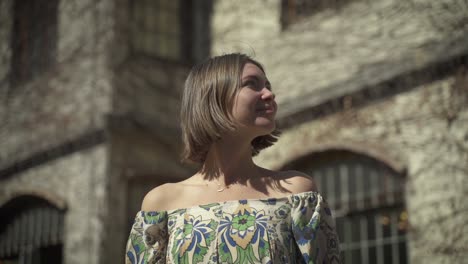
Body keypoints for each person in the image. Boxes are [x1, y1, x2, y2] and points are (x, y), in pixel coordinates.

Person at [125, 53, 341, 263]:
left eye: (268, 86)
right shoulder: (161, 203)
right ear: (213, 96)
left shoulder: (296, 193)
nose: (269, 94)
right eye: (251, 84)